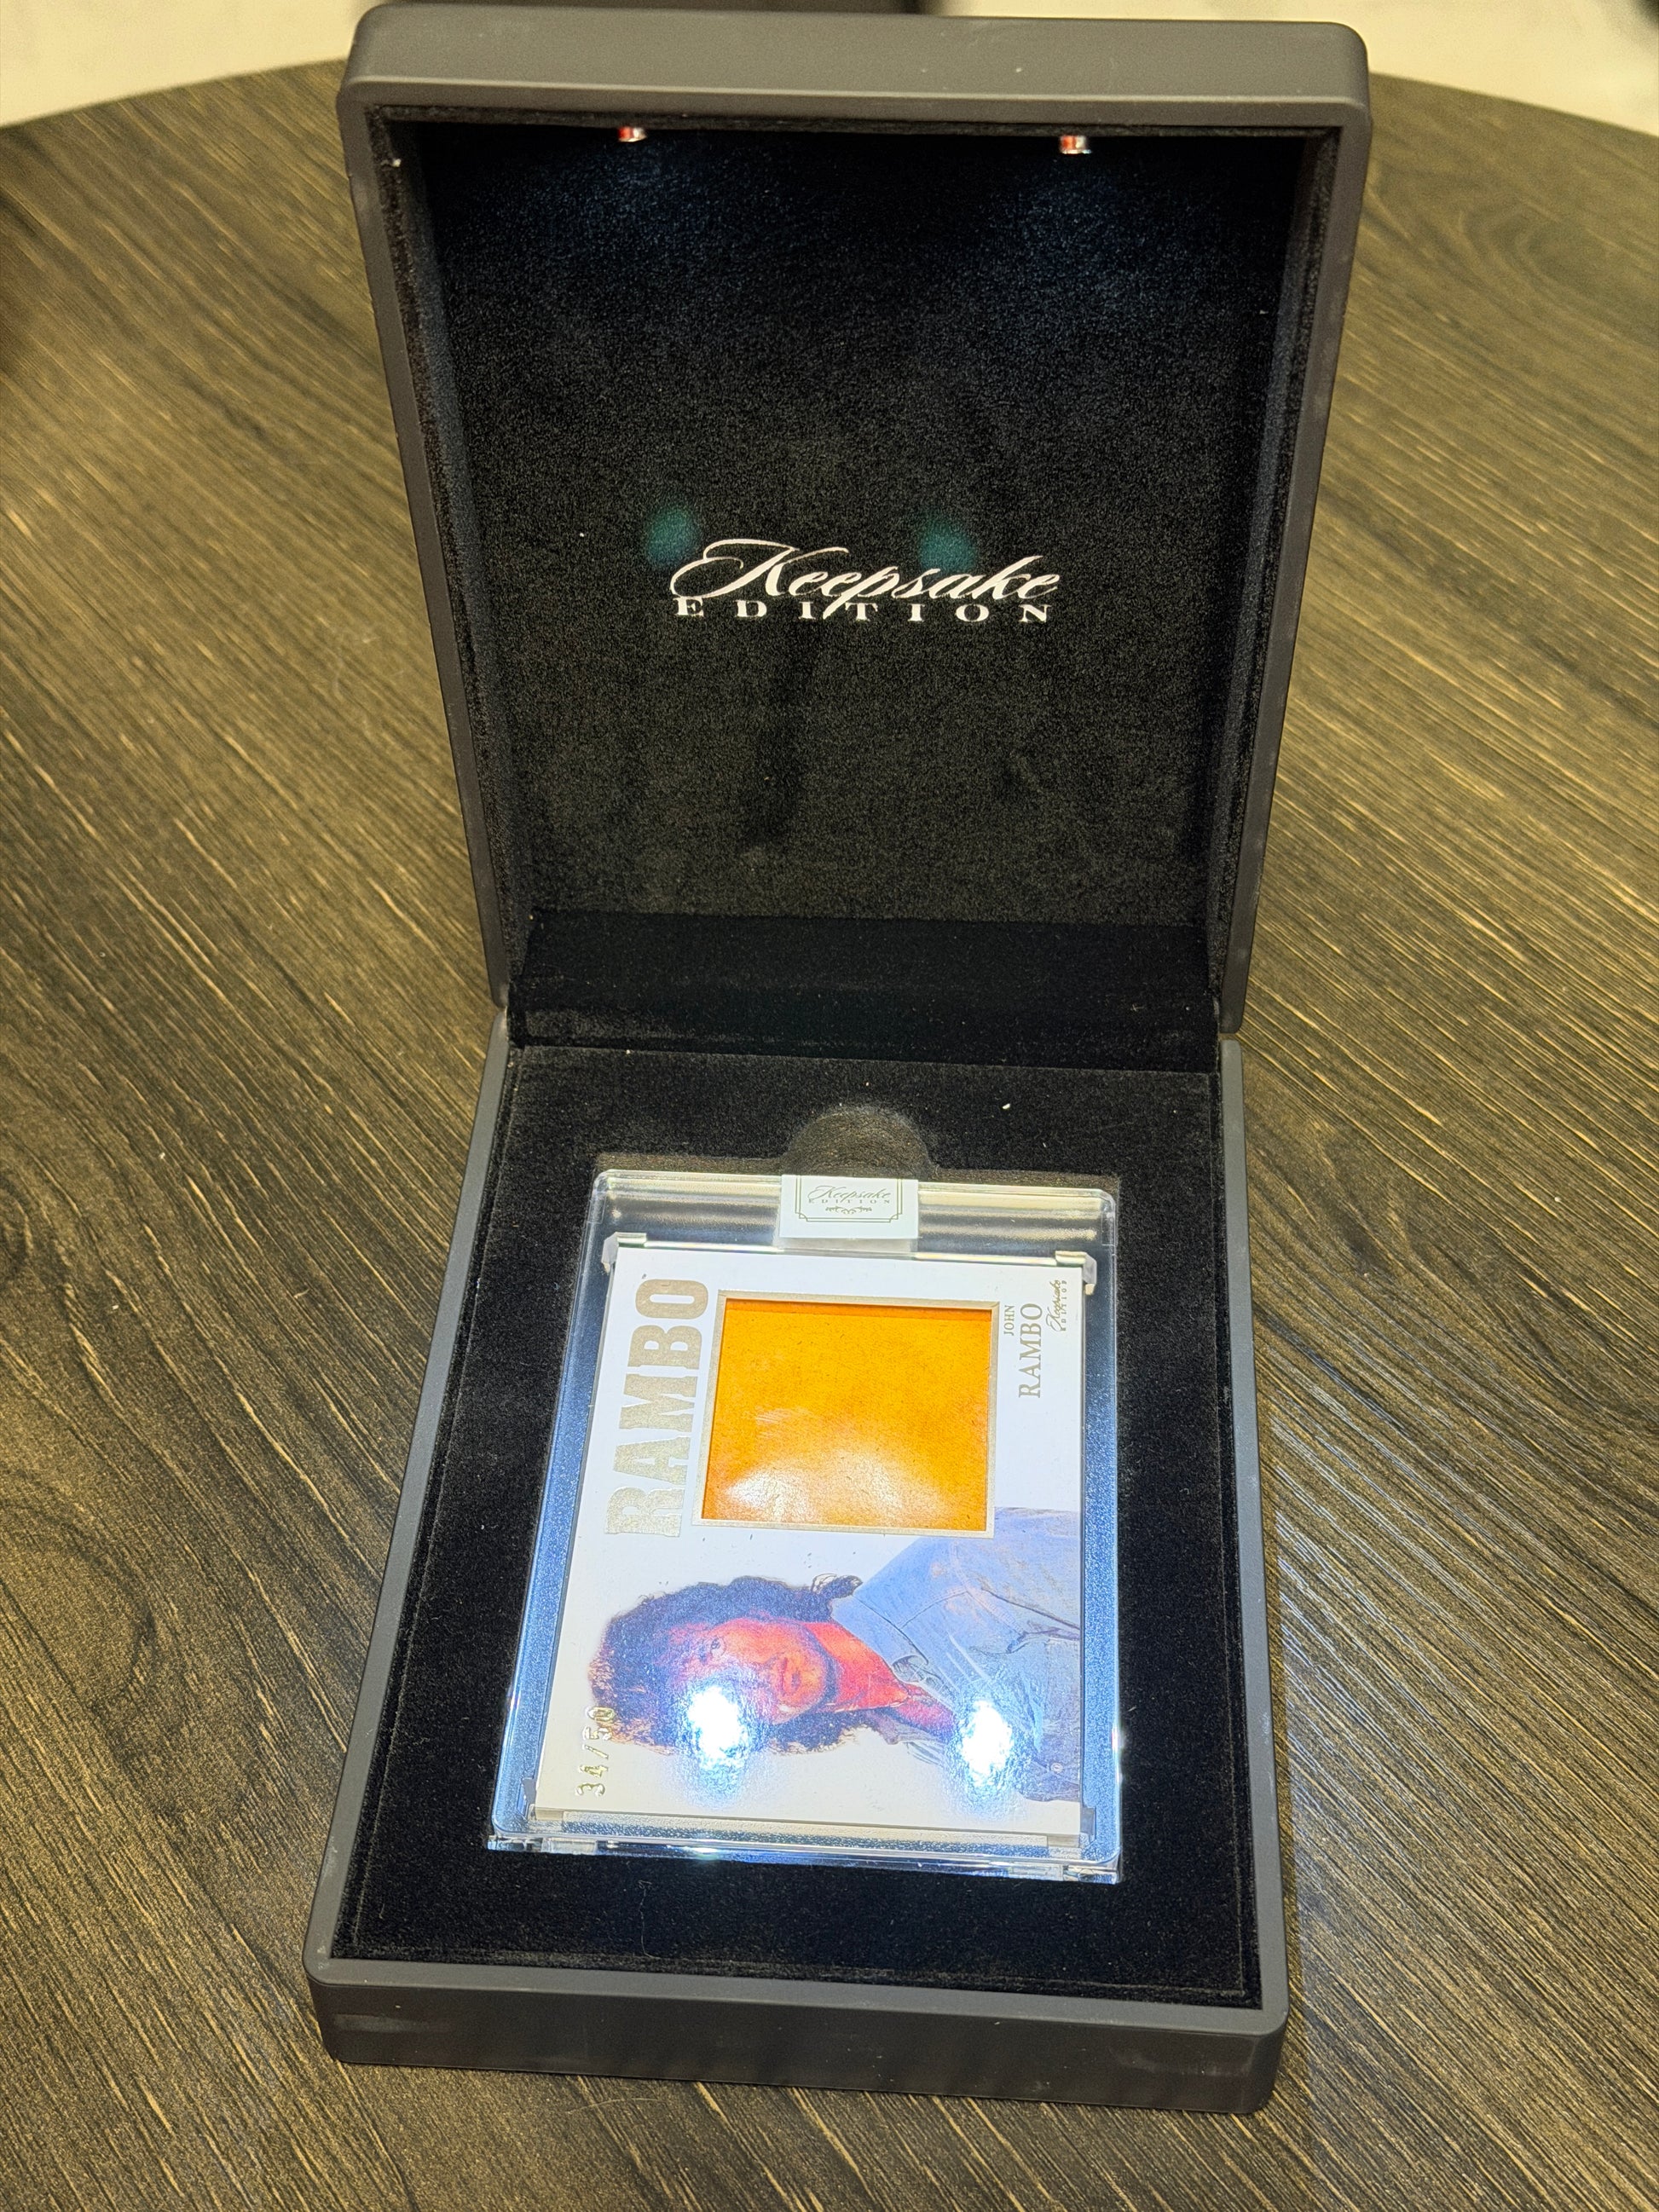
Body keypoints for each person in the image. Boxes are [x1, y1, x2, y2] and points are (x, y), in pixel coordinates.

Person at [590, 1507, 1080, 1799]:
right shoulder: (919, 1742)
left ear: (750, 1610)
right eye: (715, 1701)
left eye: (710, 1651)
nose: (743, 1681)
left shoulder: (963, 1567)